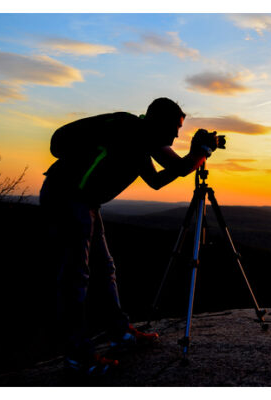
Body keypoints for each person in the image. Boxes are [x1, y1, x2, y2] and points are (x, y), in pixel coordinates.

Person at [40, 97, 221, 376]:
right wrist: (200, 154)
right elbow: (175, 168)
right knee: (76, 278)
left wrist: (198, 155)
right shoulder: (132, 131)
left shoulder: (139, 138)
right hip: (67, 199)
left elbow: (157, 181)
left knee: (103, 269)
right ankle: (78, 356)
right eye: (175, 127)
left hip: (84, 202)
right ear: (158, 122)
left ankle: (120, 333)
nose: (176, 134)